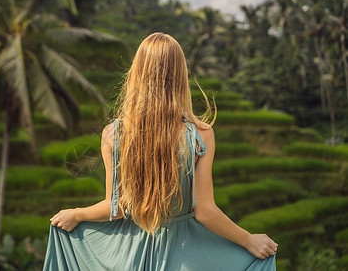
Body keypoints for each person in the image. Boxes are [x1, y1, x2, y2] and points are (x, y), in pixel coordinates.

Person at [43, 32, 277, 270]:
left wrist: (77, 214)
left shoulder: (113, 134)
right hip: (185, 257)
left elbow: (116, 208)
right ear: (180, 76)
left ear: (137, 74)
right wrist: (248, 240)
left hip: (130, 258)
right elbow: (205, 211)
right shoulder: (200, 135)